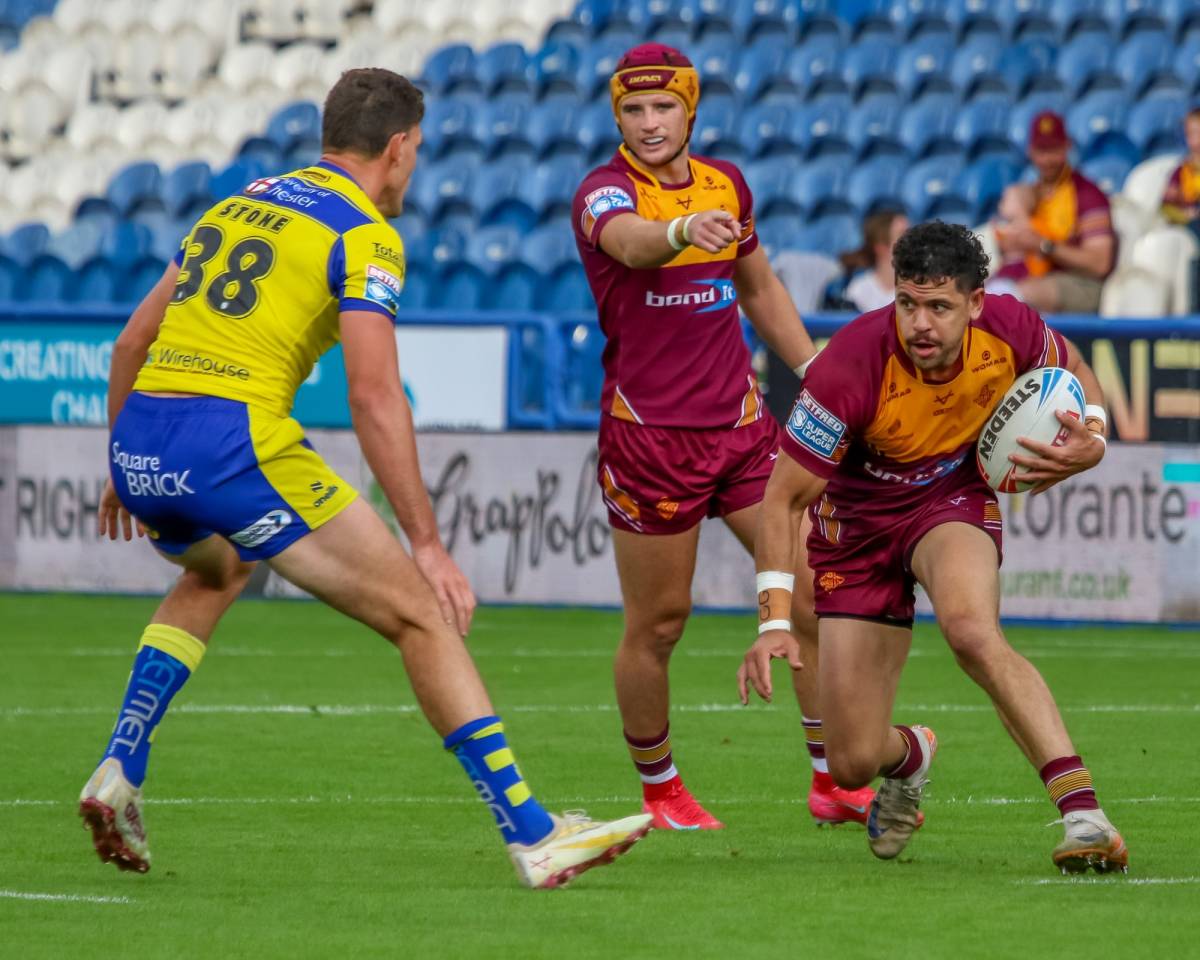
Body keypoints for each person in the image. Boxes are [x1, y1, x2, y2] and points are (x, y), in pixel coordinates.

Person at [79, 68, 652, 890]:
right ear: (398, 147)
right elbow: (375, 394)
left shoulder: (237, 203)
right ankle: (534, 834)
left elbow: (131, 342)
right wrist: (427, 543)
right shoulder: (364, 232)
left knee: (217, 568)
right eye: (417, 151)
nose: (414, 167)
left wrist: (119, 458)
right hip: (232, 441)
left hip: (142, 440)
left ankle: (121, 764)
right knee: (421, 616)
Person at [738, 221, 1128, 874]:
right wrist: (774, 621)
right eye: (908, 303)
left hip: (949, 496)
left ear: (975, 303)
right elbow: (783, 500)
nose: (920, 323)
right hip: (855, 529)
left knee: (972, 632)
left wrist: (1094, 433)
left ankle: (1083, 814)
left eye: (940, 306)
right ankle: (911, 755)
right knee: (850, 761)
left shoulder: (1010, 327)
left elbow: (1076, 368)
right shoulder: (848, 365)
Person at [572, 43, 875, 831]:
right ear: (617, 117)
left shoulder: (727, 183)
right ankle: (661, 789)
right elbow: (632, 242)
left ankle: (832, 779)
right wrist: (681, 231)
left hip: (742, 431)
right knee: (660, 624)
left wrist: (816, 372)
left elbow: (758, 285)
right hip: (651, 440)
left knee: (813, 595)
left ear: (691, 110)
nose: (649, 123)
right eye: (634, 110)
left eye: (663, 107)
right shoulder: (603, 192)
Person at [991, 111, 1115, 313]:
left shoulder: (1087, 196)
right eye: (1041, 150)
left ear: (1067, 147)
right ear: (1030, 151)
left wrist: (1042, 245)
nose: (1047, 159)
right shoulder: (1031, 194)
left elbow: (1100, 263)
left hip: (1080, 282)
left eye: (1054, 150)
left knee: (1012, 297)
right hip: (1034, 276)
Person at [840, 209, 908, 312]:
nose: (913, 241)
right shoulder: (858, 290)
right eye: (903, 235)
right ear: (881, 248)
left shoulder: (919, 290)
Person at [1160, 107, 1200, 229]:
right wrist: (1184, 216)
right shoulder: (1182, 171)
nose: (1195, 137)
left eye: (1198, 131)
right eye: (1190, 133)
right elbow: (1166, 206)